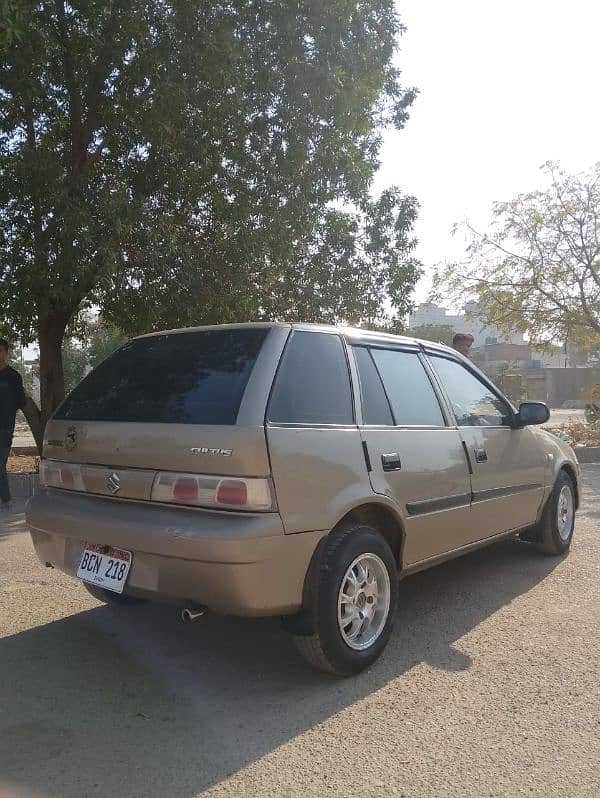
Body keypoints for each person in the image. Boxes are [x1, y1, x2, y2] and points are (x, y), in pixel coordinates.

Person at [0, 339, 27, 510]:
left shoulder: (14, 377)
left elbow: (21, 401)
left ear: (6, 352)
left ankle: (6, 499)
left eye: (1, 350)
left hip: (5, 427)